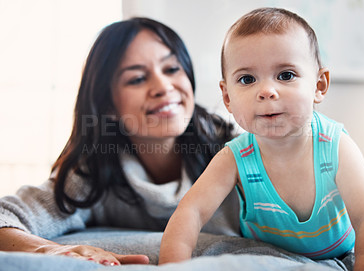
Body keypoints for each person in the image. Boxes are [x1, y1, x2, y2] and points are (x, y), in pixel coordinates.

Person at [158, 7, 364, 271]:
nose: (267, 91)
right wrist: (172, 266)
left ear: (319, 85)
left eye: (285, 75)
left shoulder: (336, 146)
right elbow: (191, 213)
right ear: (227, 98)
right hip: (267, 252)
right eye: (247, 79)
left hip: (339, 248)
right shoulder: (234, 157)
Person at [0, 17, 240, 266]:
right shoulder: (92, 174)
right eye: (136, 79)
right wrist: (49, 251)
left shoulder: (243, 153)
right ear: (108, 106)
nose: (163, 86)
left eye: (171, 69)